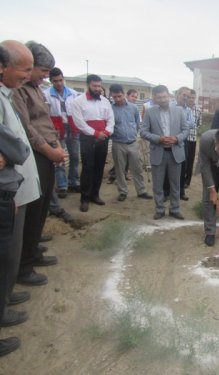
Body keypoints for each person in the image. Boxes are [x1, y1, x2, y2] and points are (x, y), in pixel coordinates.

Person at [12, 41, 64, 285]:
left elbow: (45, 122)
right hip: (36, 156)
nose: (46, 75)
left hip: (48, 153)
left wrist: (56, 146)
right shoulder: (18, 91)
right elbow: (27, 128)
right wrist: (49, 150)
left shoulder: (35, 89)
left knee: (42, 207)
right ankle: (24, 267)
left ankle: (32, 252)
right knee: (33, 211)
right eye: (42, 70)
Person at [0, 41, 40, 318]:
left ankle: (6, 296)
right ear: (5, 67)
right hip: (8, 192)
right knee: (6, 255)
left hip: (15, 190)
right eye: (24, 69)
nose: (28, 75)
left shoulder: (7, 95)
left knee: (10, 255)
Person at [140, 85, 188, 220]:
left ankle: (175, 209)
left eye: (165, 96)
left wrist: (177, 138)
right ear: (154, 98)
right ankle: (159, 209)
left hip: (175, 153)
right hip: (158, 152)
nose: (163, 100)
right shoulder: (150, 112)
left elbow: (186, 130)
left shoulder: (179, 111)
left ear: (169, 95)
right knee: (158, 184)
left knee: (175, 184)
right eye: (159, 97)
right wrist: (158, 139)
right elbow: (143, 131)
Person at [71, 74, 114, 212]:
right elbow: (79, 123)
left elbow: (111, 119)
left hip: (103, 139)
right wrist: (95, 133)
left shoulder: (105, 101)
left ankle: (95, 195)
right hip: (88, 139)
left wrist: (107, 132)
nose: (97, 88)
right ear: (88, 85)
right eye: (94, 86)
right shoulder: (78, 101)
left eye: (99, 86)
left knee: (99, 167)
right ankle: (84, 198)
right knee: (88, 168)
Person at [109, 84, 152, 202]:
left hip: (133, 143)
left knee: (137, 168)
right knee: (120, 169)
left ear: (123, 94)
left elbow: (138, 124)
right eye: (114, 97)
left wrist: (135, 135)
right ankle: (123, 192)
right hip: (118, 144)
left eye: (119, 96)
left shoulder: (133, 108)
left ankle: (141, 190)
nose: (117, 99)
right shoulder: (110, 109)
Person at [44, 67, 80, 198]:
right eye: (55, 81)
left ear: (63, 79)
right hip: (57, 129)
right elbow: (45, 114)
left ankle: (74, 182)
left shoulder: (73, 93)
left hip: (72, 127)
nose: (58, 83)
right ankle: (62, 185)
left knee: (75, 156)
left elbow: (77, 111)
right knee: (59, 158)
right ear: (51, 81)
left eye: (60, 80)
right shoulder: (46, 94)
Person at [185, 89, 201, 188]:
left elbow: (199, 123)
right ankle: (181, 179)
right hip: (183, 138)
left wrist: (192, 129)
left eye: (193, 98)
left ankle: (187, 181)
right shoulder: (182, 108)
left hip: (193, 138)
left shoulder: (198, 110)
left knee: (190, 160)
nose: (191, 99)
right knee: (183, 160)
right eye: (190, 97)